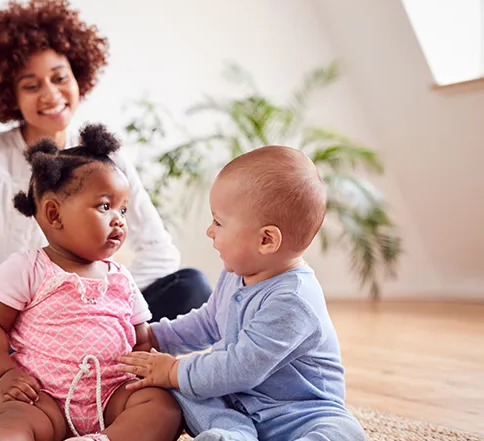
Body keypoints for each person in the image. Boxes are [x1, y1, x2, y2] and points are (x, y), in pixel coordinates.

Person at [0, 0, 212, 397]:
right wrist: (20, 313)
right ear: (9, 95)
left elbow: (161, 254)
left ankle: (45, 361)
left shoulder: (106, 157)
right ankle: (2, 359)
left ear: (78, 75)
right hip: (6, 319)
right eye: (30, 85)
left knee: (190, 285)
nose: (50, 94)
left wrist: (100, 302)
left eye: (59, 77)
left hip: (93, 321)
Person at [0, 125, 183, 441]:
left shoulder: (121, 277)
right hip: (42, 395)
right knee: (16, 418)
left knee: (164, 408)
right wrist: (4, 375)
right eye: (105, 206)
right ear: (54, 214)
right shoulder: (27, 267)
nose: (119, 218)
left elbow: (141, 337)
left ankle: (103, 439)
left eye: (123, 209)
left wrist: (149, 370)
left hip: (112, 395)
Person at [117, 146, 367, 441]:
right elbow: (209, 321)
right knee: (171, 390)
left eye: (219, 222)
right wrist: (157, 337)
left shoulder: (294, 300)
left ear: (266, 239)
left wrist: (173, 369)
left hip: (299, 413)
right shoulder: (236, 274)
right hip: (237, 401)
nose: (210, 231)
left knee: (341, 431)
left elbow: (240, 367)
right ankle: (231, 434)